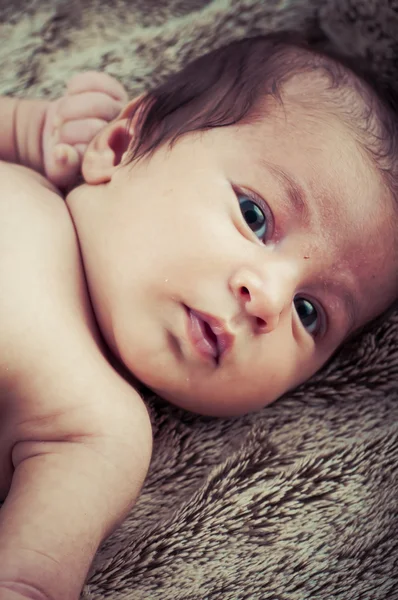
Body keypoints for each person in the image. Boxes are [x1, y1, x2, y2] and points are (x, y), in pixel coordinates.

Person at [0, 31, 397, 599]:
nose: (269, 300)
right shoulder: (28, 184)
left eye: (309, 314)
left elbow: (27, 581)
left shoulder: (97, 431)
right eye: (255, 217)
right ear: (116, 147)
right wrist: (30, 129)